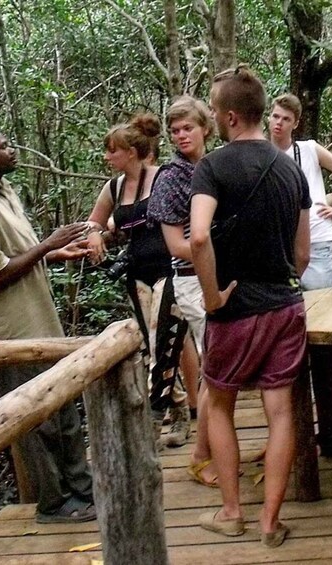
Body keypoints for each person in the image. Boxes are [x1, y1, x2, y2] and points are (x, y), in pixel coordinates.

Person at [189, 65, 310, 548]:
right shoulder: (291, 169)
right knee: (280, 411)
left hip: (235, 307)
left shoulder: (212, 167)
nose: (215, 119)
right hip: (285, 303)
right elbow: (302, 254)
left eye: (216, 111)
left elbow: (198, 236)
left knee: (219, 404)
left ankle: (232, 511)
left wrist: (214, 294)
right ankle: (270, 522)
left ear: (232, 116)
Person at [0, 128, 95, 524]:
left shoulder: (4, 193)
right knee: (35, 423)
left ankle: (83, 489)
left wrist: (55, 253)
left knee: (64, 413)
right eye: (4, 147)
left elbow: (16, 256)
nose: (12, 150)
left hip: (41, 325)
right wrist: (47, 244)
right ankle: (54, 503)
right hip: (12, 335)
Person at [85, 114, 191, 448]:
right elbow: (95, 221)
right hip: (137, 273)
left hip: (169, 268)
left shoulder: (162, 178)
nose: (107, 158)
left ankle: (153, 419)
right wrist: (95, 236)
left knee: (163, 343)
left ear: (131, 152)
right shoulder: (114, 187)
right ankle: (179, 411)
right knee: (150, 347)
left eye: (112, 151)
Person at [146, 95, 220, 484]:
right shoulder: (171, 179)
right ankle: (202, 457)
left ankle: (216, 451)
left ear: (206, 128)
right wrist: (218, 251)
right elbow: (176, 246)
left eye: (187, 128)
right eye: (174, 131)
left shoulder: (217, 165)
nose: (181, 136)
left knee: (224, 369)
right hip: (192, 281)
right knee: (216, 370)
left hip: (226, 276)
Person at [269, 93, 332, 290]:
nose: (279, 123)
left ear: (295, 124)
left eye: (286, 119)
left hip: (318, 242)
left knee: (320, 308)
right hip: (281, 247)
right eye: (275, 116)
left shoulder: (309, 149)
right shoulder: (263, 155)